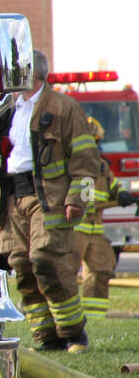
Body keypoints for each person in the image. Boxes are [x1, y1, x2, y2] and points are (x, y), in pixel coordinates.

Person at [0, 50, 100, 352]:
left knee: (46, 259)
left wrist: (78, 198)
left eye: (14, 70)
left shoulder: (64, 108)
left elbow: (87, 159)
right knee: (21, 265)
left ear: (32, 72)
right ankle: (46, 338)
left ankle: (74, 334)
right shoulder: (8, 109)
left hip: (49, 198)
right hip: (15, 196)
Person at [73, 116, 138, 317]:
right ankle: (66, 318)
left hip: (95, 228)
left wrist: (123, 196)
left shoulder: (102, 166)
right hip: (72, 228)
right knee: (64, 274)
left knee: (101, 268)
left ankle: (94, 316)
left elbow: (113, 187)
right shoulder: (71, 164)